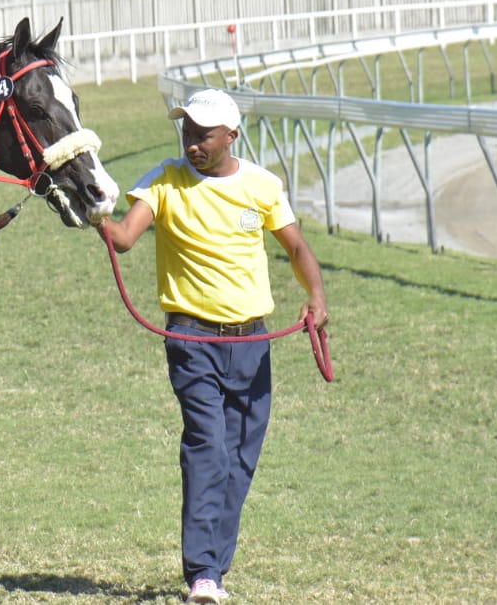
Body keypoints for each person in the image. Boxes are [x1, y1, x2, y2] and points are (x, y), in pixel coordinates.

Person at [95, 88, 328, 605]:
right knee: (207, 446)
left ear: (231, 136)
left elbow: (295, 246)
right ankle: (202, 571)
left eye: (203, 135)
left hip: (252, 342)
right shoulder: (163, 180)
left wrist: (316, 296)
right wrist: (91, 215)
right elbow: (125, 237)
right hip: (191, 339)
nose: (192, 143)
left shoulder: (262, 186)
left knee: (240, 458)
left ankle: (214, 569)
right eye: (187, 132)